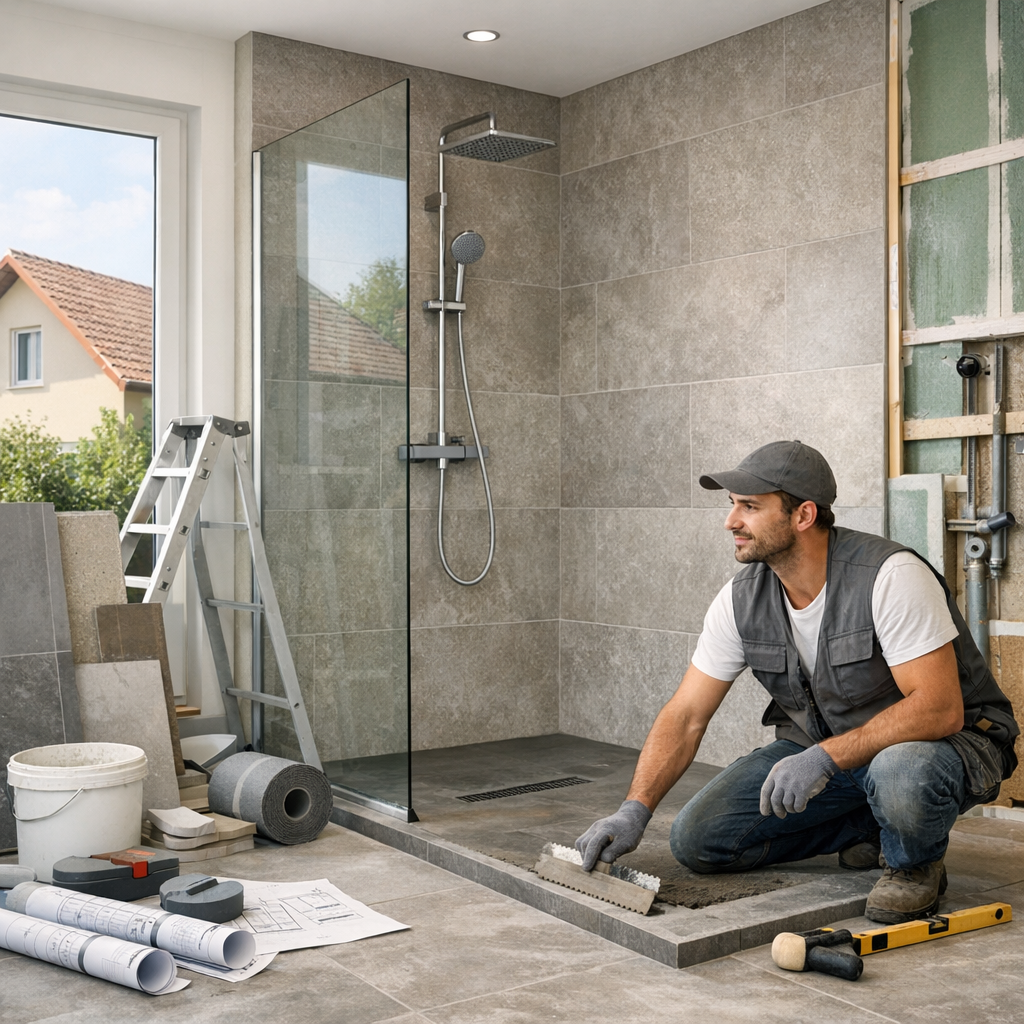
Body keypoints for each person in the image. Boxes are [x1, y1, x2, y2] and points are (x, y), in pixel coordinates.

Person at [575, 440, 1019, 924]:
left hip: (945, 745)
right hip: (829, 751)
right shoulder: (741, 598)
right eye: (733, 507)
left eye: (750, 507)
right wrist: (634, 809)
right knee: (699, 840)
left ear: (804, 515)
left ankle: (914, 865)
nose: (731, 522)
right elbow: (685, 715)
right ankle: (872, 825)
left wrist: (825, 757)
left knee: (900, 770)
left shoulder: (890, 577)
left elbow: (938, 709)